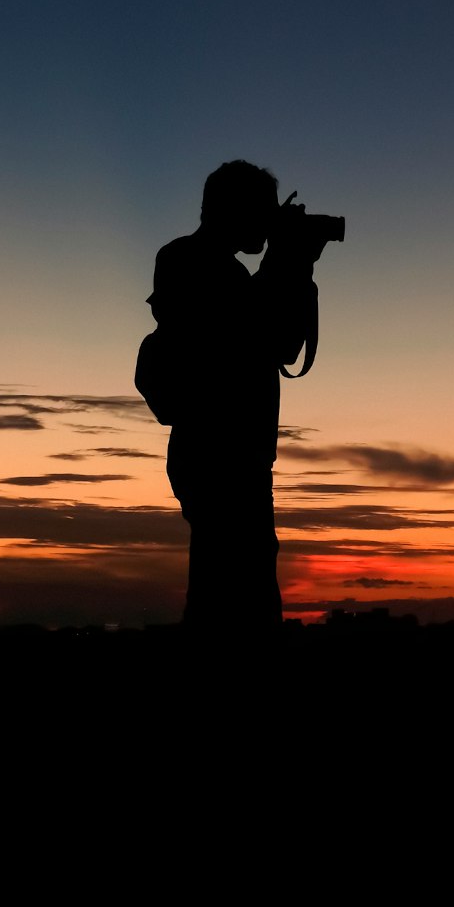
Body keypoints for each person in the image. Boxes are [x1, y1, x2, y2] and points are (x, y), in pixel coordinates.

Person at [147, 160, 331, 631]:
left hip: (235, 456)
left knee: (227, 588)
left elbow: (278, 341)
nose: (268, 225)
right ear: (231, 210)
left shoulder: (223, 270)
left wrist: (293, 263)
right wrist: (287, 259)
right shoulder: (187, 261)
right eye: (262, 212)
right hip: (216, 455)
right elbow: (252, 335)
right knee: (237, 601)